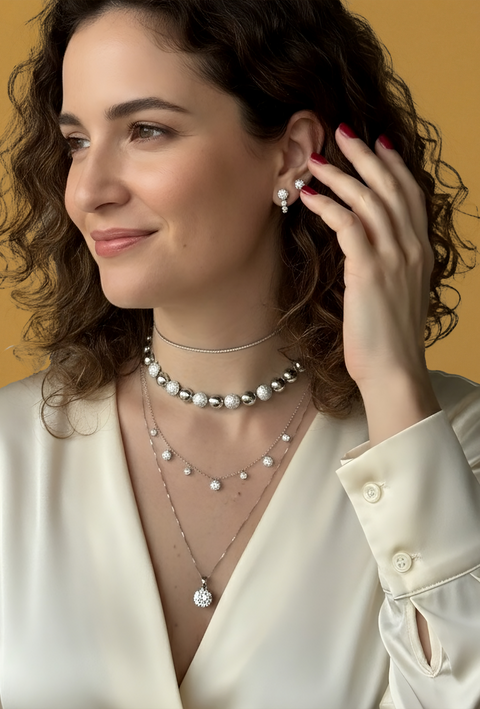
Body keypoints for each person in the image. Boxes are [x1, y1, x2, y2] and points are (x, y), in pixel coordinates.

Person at [0, 0, 479, 707]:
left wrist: (392, 382)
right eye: (76, 141)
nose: (89, 190)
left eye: (146, 130)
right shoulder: (11, 452)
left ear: (291, 155)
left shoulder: (455, 445)